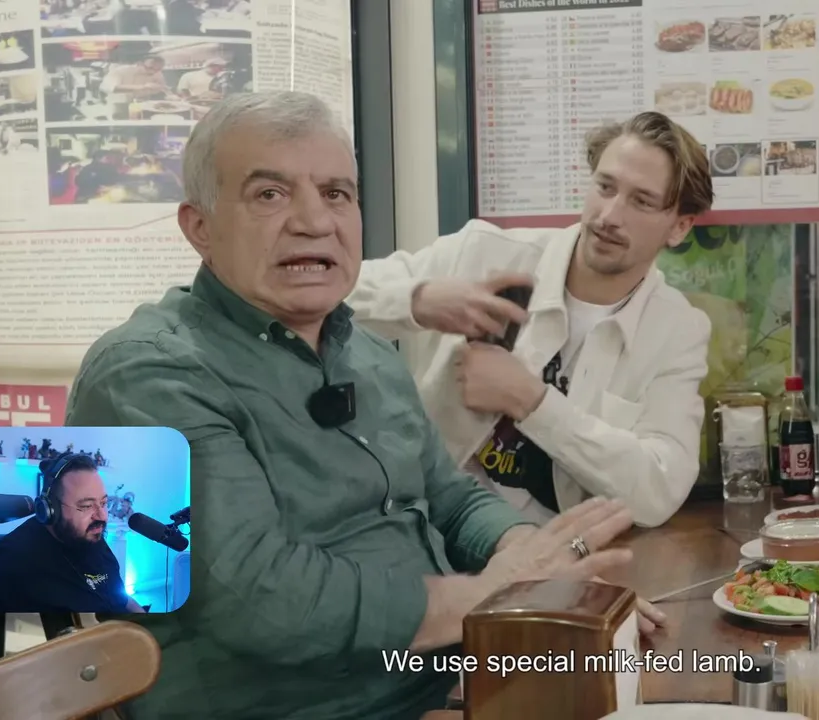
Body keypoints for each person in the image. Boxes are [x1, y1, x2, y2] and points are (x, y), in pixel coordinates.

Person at [64, 91, 660, 720]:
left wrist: (529, 557)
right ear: (200, 227)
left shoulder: (368, 354)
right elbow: (260, 600)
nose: (314, 222)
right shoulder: (145, 375)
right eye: (270, 194)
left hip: (449, 685)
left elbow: (449, 497)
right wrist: (489, 596)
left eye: (336, 194)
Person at [348, 111, 713, 528]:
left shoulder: (678, 330)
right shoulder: (485, 252)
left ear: (679, 227)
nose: (610, 216)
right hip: (422, 525)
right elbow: (333, 290)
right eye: (605, 187)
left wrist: (530, 401)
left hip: (552, 548)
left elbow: (658, 491)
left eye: (642, 201)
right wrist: (417, 301)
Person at [0, 453, 145, 614]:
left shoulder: (90, 535)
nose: (102, 516)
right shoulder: (8, 563)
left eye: (103, 503)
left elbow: (119, 597)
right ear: (49, 509)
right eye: (87, 506)